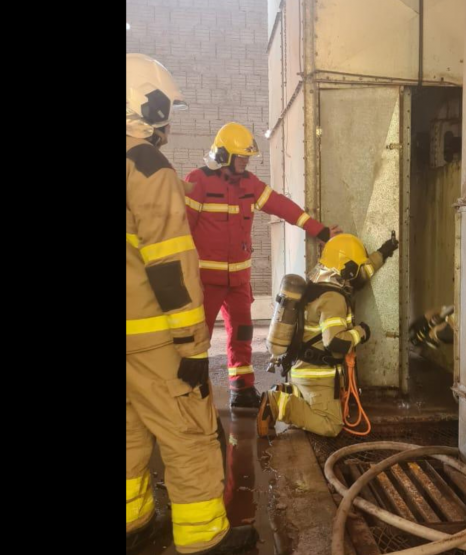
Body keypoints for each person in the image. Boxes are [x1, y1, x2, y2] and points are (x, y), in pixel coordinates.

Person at [126, 53, 256, 554]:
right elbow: (170, 265)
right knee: (190, 434)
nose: (168, 122)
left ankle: (133, 524)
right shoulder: (146, 165)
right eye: (166, 110)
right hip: (150, 334)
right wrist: (193, 344)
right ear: (147, 105)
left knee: (130, 430)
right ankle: (204, 540)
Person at [184, 122, 341, 409]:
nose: (245, 163)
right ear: (223, 155)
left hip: (238, 283)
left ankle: (242, 390)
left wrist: (320, 231)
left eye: (246, 159)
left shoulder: (250, 184)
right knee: (197, 338)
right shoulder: (198, 182)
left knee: (242, 333)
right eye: (240, 158)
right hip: (204, 281)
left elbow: (283, 206)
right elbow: (181, 231)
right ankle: (191, 394)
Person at [256, 233, 399, 437]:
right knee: (331, 425)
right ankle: (276, 404)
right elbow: (335, 343)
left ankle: (289, 392)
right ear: (347, 268)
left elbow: (362, 272)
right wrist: (361, 332)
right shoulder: (333, 298)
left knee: (319, 411)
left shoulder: (316, 284)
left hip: (301, 369)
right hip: (317, 375)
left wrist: (385, 250)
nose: (358, 274)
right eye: (355, 269)